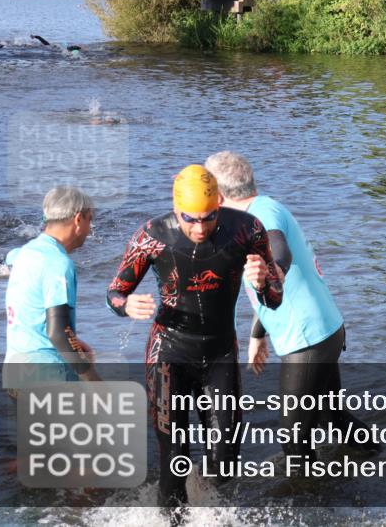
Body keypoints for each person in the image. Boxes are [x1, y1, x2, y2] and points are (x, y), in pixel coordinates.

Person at [106, 165, 283, 514]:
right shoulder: (151, 236)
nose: (200, 227)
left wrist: (264, 282)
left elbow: (275, 297)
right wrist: (127, 306)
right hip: (168, 354)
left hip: (219, 353)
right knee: (175, 457)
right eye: (191, 219)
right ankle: (174, 517)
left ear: (219, 202)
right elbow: (114, 291)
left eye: (209, 217)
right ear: (176, 209)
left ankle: (203, 506)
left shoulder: (247, 229)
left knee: (226, 460)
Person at [204, 151, 379, 463]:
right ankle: (382, 458)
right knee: (332, 418)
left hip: (308, 338)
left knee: (294, 441)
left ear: (217, 196)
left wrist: (276, 271)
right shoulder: (258, 211)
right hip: (324, 330)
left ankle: (313, 506)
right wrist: (258, 334)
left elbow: (280, 252)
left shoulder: (262, 214)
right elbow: (267, 287)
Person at [4, 186, 99, 385]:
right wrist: (93, 380)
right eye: (90, 219)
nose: (90, 229)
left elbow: (32, 308)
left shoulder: (22, 254)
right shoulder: (58, 264)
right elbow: (57, 333)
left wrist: (73, 340)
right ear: (78, 219)